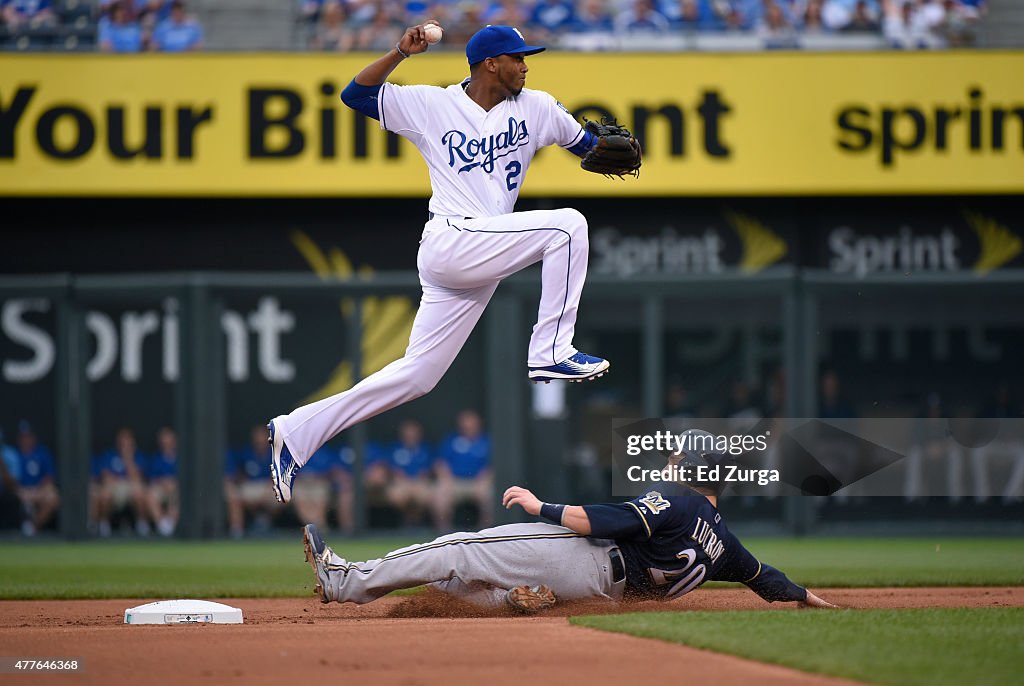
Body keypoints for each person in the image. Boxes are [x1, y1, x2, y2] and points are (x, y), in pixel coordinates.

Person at [267, 22, 635, 504]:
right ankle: (549, 349)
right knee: (568, 226)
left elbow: (590, 145)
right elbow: (355, 96)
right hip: (450, 238)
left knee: (417, 376)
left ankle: (294, 432)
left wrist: (604, 147)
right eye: (518, 57)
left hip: (483, 254)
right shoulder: (432, 104)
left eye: (527, 57)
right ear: (490, 64)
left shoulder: (538, 107)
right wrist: (400, 51)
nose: (526, 65)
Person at [299, 444, 837, 611]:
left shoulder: (677, 498)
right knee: (457, 586)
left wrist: (540, 506)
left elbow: (603, 520)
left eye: (677, 460)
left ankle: (342, 580)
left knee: (460, 547)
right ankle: (513, 602)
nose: (669, 465)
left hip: (588, 556)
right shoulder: (725, 542)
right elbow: (769, 580)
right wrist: (816, 601)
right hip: (603, 591)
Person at [435, 409, 492, 530]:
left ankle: (487, 532)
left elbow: (491, 466)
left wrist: (484, 480)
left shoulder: (486, 441)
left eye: (471, 422)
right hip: (455, 482)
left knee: (489, 495)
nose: (468, 425)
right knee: (441, 494)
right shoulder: (451, 440)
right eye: (465, 422)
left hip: (478, 483)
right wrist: (446, 480)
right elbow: (441, 464)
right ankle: (443, 533)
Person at [90, 427, 149, 537]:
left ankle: (142, 523)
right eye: (122, 441)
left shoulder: (137, 456)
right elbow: (105, 476)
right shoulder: (109, 454)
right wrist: (116, 479)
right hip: (113, 486)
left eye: (127, 441)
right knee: (104, 494)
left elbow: (137, 477)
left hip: (130, 485)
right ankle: (103, 524)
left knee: (139, 493)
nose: (125, 444)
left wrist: (127, 459)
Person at [14, 420, 60, 536]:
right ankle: (27, 516)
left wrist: (35, 492)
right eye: (23, 437)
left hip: (39, 490)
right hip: (19, 491)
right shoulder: (14, 455)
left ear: (33, 437)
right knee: (24, 497)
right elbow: (12, 481)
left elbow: (49, 478)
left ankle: (32, 527)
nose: (26, 439)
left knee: (53, 496)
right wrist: (21, 491)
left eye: (28, 436)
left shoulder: (42, 453)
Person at [146, 426, 180, 537]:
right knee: (150, 496)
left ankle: (171, 524)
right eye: (164, 441)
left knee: (177, 493)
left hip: (176, 489)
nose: (167, 444)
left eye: (169, 441)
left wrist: (173, 483)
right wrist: (162, 482)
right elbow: (150, 478)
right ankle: (163, 526)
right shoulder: (156, 458)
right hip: (159, 488)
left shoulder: (182, 457)